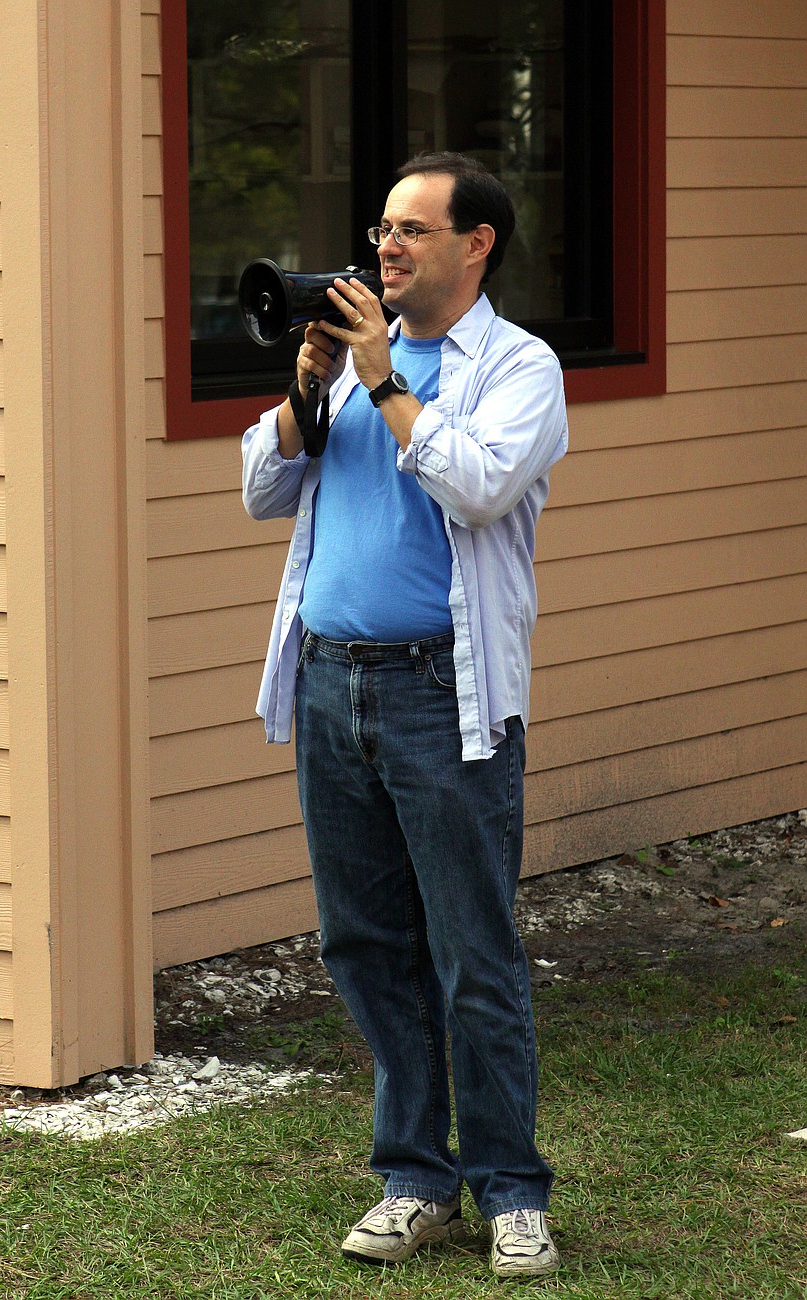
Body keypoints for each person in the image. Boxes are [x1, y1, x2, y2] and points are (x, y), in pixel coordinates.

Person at [242, 151, 568, 1281]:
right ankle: (415, 1179)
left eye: (413, 230)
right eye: (382, 228)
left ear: (476, 243)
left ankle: (513, 1191)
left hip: (444, 696)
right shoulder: (342, 361)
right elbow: (259, 485)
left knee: (472, 952)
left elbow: (477, 484)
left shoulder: (521, 367)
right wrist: (309, 385)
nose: (386, 247)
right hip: (333, 683)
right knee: (365, 943)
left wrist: (384, 383)